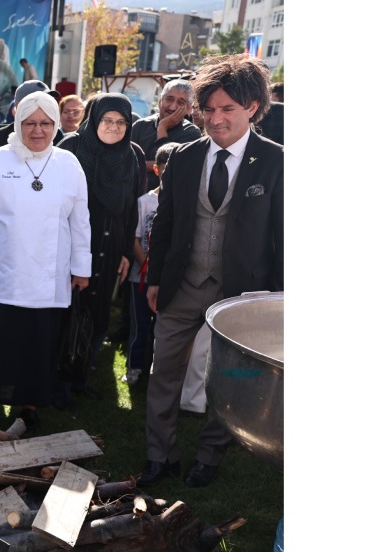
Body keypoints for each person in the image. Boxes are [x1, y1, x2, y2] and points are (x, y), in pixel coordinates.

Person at [140, 54, 283, 489]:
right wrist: (155, 279)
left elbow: (285, 235)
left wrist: (277, 298)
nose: (215, 119)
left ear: (253, 108)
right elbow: (165, 224)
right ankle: (160, 455)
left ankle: (209, 455)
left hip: (242, 294)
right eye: (208, 109)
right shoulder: (184, 158)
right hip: (182, 284)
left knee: (231, 379)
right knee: (163, 371)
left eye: (227, 109)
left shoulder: (277, 161)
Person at [0, 92, 91, 426]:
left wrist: (81, 267)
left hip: (48, 276)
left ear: (55, 125)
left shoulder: (68, 164)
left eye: (45, 123)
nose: (38, 130)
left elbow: (80, 220)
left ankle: (29, 405)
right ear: (18, 123)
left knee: (37, 344)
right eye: (30, 123)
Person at [56, 93, 146, 399]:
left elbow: (132, 207)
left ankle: (80, 377)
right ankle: (57, 380)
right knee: (66, 312)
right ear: (94, 119)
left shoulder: (132, 154)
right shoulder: (71, 147)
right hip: (71, 247)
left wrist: (125, 251)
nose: (114, 127)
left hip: (110, 247)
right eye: (107, 119)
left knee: (97, 314)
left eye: (121, 122)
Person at [124, 141, 178, 385]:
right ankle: (134, 367)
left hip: (169, 278)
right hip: (142, 276)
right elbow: (134, 238)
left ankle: (159, 371)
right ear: (156, 170)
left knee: (165, 329)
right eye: (166, 171)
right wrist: (147, 266)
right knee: (140, 325)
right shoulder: (144, 202)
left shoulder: (183, 201)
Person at [130, 79, 203, 191]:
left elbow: (169, 167)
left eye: (180, 102)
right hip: (135, 194)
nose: (172, 107)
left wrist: (162, 127)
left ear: (188, 108)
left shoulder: (191, 133)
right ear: (160, 101)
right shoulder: (140, 126)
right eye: (169, 99)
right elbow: (127, 162)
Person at [0, 80, 63, 166]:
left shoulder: (57, 136)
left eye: (49, 101)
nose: (38, 130)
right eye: (37, 101)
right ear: (18, 106)